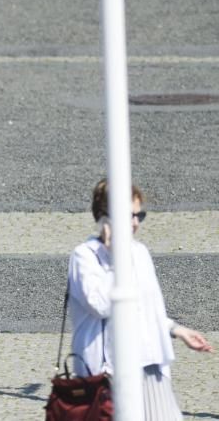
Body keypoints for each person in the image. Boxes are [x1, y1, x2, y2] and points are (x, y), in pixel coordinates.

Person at [68, 179, 214, 419]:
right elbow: (100, 305)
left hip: (150, 365)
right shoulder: (85, 256)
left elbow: (145, 309)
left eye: (139, 215)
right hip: (110, 375)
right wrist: (114, 256)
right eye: (129, 216)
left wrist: (177, 330)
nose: (135, 223)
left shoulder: (140, 252)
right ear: (105, 218)